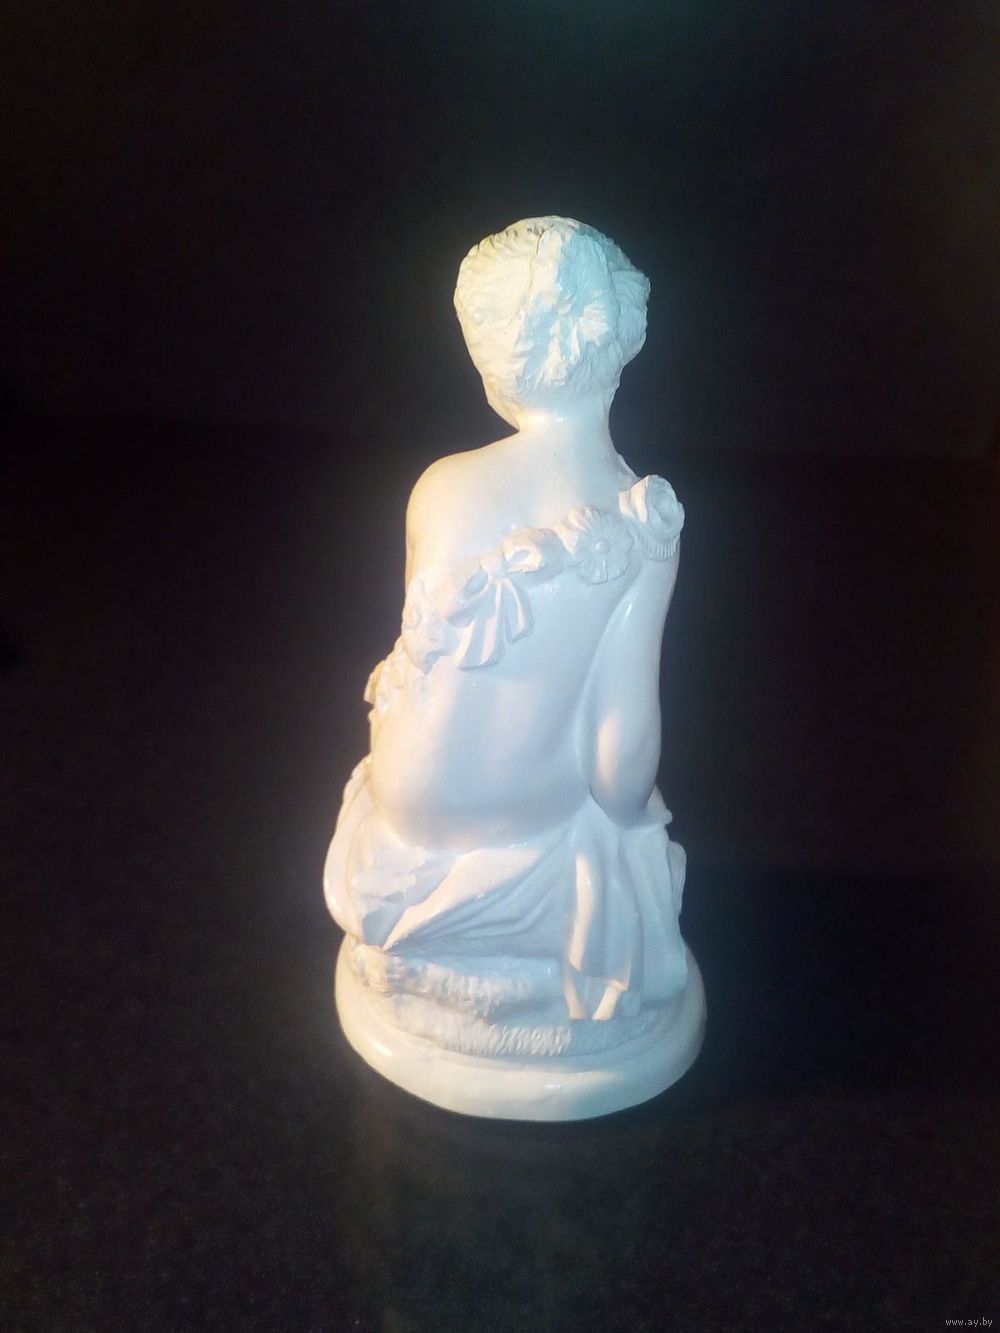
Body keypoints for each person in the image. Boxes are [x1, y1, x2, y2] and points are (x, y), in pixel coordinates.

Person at [325, 217, 691, 1063]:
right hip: (522, 826)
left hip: (399, 816)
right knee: (619, 838)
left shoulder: (441, 486)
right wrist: (632, 823)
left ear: (490, 361)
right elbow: (620, 767)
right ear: (627, 332)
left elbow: (423, 669)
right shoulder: (645, 527)